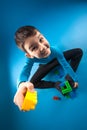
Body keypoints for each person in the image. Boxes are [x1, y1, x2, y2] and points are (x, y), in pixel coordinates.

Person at [13, 25, 83, 110]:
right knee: (33, 83)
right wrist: (21, 85)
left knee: (79, 52)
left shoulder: (55, 51)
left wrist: (74, 79)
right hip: (45, 66)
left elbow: (65, 65)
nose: (42, 48)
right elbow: (25, 71)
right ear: (29, 55)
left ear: (43, 36)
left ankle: (68, 79)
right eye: (34, 48)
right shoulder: (30, 59)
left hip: (57, 59)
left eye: (41, 39)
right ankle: (55, 84)